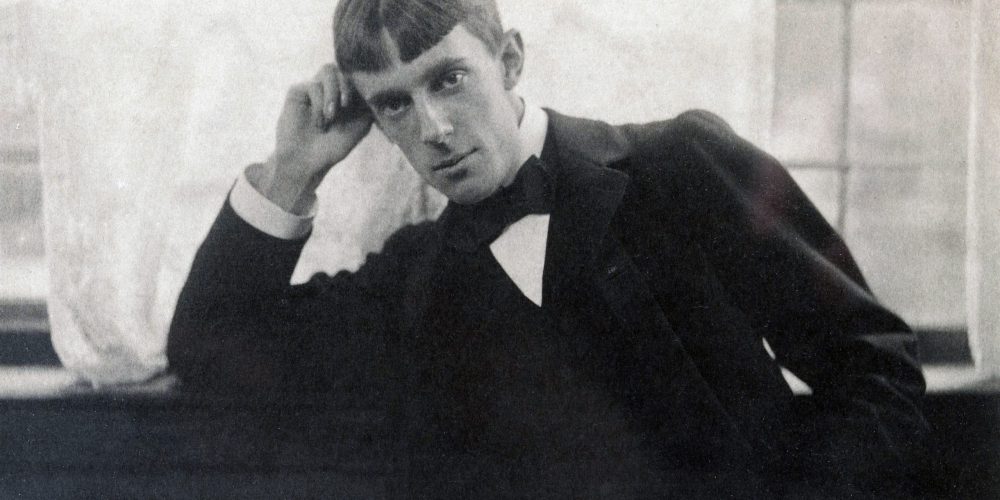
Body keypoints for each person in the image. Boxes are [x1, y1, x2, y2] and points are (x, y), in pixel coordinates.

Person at [168, 0, 927, 497]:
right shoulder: (413, 278)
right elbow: (211, 348)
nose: (432, 129)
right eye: (394, 104)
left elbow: (875, 368)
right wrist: (293, 172)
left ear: (509, 60)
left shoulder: (677, 166)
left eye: (449, 79)